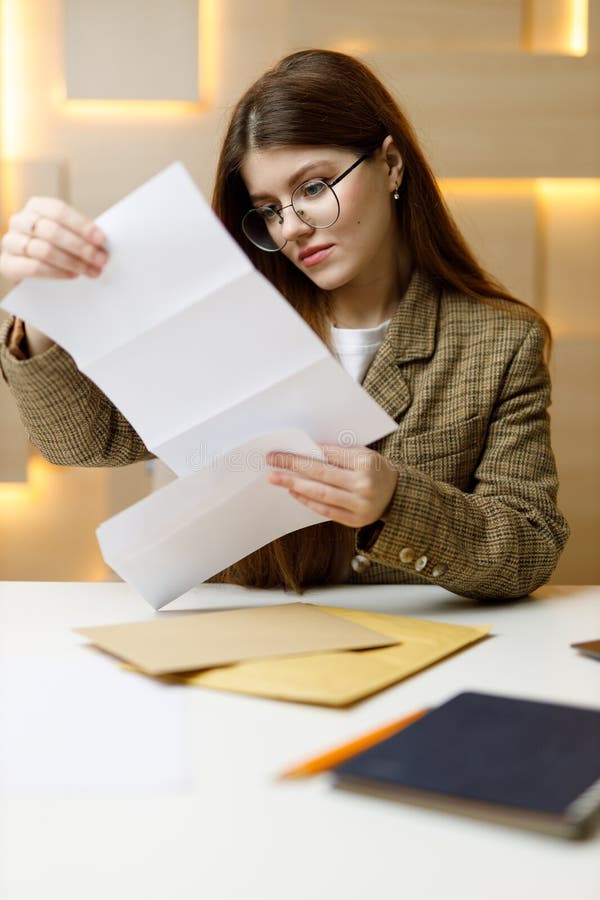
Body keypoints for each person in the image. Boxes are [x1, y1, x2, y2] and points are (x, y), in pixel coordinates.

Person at [0, 49, 569, 598]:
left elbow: (529, 545)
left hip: (417, 649)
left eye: (314, 188)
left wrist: (394, 501)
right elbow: (84, 443)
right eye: (269, 209)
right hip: (233, 644)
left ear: (391, 164)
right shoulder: (228, 317)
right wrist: (46, 307)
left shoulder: (498, 341)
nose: (291, 228)